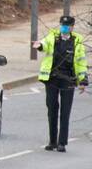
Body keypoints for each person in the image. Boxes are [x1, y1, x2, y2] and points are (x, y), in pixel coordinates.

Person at [34, 14, 88, 152]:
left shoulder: (77, 41)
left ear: (72, 27)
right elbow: (45, 44)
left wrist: (83, 80)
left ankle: (62, 142)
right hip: (52, 79)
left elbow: (81, 62)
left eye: (67, 26)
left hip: (68, 80)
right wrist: (39, 46)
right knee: (52, 109)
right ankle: (52, 141)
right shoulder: (53, 37)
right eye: (62, 25)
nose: (64, 28)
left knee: (65, 111)